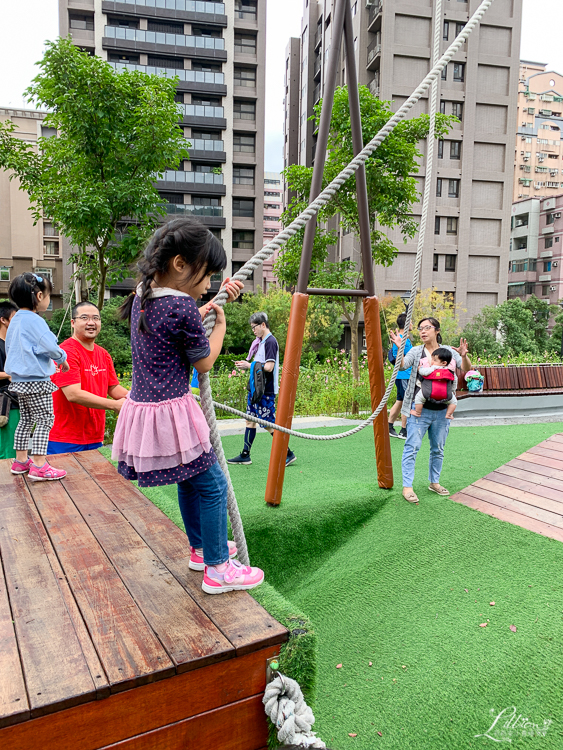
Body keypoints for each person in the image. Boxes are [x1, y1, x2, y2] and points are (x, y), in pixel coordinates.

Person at [114, 217, 264, 595]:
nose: (208, 284)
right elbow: (204, 362)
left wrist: (212, 301)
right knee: (212, 486)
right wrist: (222, 325)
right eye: (206, 275)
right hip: (174, 413)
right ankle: (218, 569)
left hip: (146, 410)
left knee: (189, 481)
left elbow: (173, 329)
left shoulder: (143, 294)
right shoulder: (180, 307)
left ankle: (201, 550)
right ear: (180, 264)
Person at [389, 317, 470, 504]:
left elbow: (465, 369)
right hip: (420, 410)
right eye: (420, 329)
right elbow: (402, 365)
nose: (423, 331)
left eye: (427, 328)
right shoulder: (416, 351)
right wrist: (400, 348)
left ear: (437, 330)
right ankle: (407, 487)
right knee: (412, 447)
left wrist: (464, 356)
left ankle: (434, 482)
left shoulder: (448, 351)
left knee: (438, 449)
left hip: (442, 410)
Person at [5, 273, 70, 481]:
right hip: (37, 380)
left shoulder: (14, 320)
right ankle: (40, 464)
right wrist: (62, 359)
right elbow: (50, 346)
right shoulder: (35, 321)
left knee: (26, 419)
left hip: (19, 381)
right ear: (40, 296)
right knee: (44, 419)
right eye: (49, 296)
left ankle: (21, 460)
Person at [47, 301, 129, 454]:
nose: (91, 323)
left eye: (96, 318)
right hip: (64, 438)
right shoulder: (65, 353)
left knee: (93, 477)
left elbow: (113, 388)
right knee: (67, 478)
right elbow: (73, 394)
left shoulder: (103, 354)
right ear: (73, 322)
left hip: (95, 435)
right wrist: (115, 405)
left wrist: (138, 399)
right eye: (84, 318)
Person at [227, 312, 296, 467]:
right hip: (256, 389)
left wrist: (248, 365)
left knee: (268, 423)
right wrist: (248, 365)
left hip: (265, 390)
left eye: (254, 327)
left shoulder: (270, 342)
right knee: (250, 420)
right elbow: (259, 365)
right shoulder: (261, 342)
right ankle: (245, 455)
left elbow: (269, 367)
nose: (253, 331)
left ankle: (288, 453)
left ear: (263, 325)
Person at [413, 347, 457, 419]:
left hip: (428, 393)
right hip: (446, 394)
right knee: (454, 402)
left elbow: (424, 372)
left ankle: (417, 412)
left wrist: (419, 369)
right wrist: (452, 391)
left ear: (444, 363)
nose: (432, 361)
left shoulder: (433, 368)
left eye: (434, 360)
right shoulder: (449, 372)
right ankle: (448, 414)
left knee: (418, 398)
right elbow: (455, 381)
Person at [388, 312, 412, 440]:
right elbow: (400, 358)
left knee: (400, 401)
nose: (413, 324)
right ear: (407, 323)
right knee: (406, 402)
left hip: (402, 375)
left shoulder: (404, 338)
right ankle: (404, 430)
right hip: (404, 375)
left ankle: (389, 426)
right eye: (411, 322)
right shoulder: (401, 338)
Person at [0, 300, 19, 459]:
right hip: (5, 405)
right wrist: (8, 374)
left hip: (16, 401)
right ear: (3, 320)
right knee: (8, 450)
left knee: (14, 448)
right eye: (15, 317)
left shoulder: (13, 344)